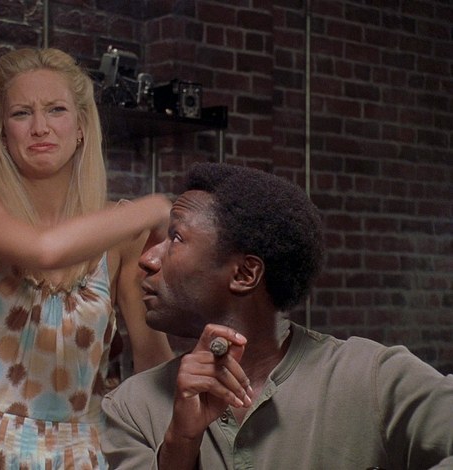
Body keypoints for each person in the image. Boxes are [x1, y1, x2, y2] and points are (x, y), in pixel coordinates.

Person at [101, 162, 453, 469]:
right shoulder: (132, 408)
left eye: (175, 237)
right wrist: (180, 441)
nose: (147, 259)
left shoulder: (370, 379)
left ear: (244, 274)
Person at [0, 47, 174, 468]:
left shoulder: (120, 236)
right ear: (2, 133)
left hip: (84, 451)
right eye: (21, 113)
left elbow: (151, 361)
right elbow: (45, 251)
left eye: (56, 109)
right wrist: (155, 207)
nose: (40, 127)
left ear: (82, 126)